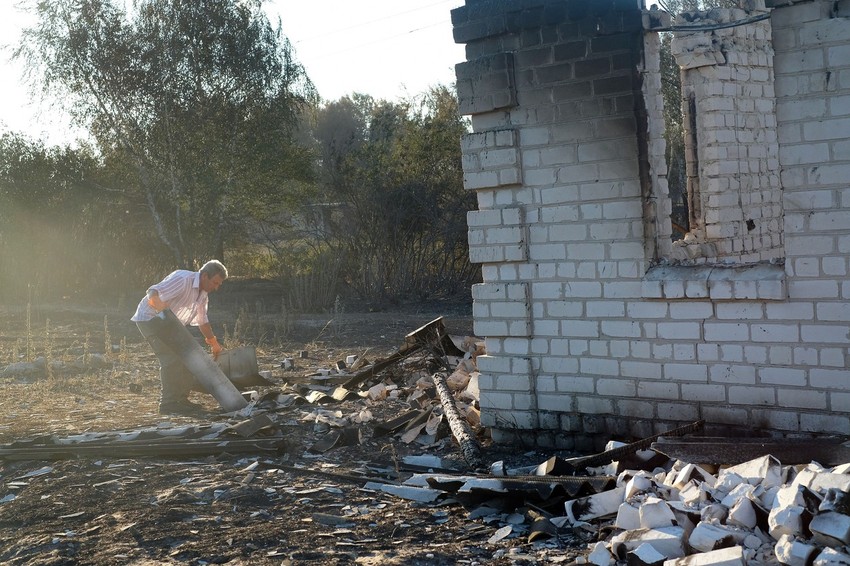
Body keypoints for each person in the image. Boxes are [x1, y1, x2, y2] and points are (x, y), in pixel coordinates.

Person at [131, 260, 228, 415]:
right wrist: (159, 306)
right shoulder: (183, 279)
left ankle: (181, 400)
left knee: (188, 356)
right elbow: (152, 292)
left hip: (170, 325)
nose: (216, 288)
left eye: (219, 285)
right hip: (150, 319)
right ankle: (168, 404)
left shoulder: (203, 294)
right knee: (170, 357)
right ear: (204, 276)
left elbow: (203, 322)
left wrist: (214, 343)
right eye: (215, 282)